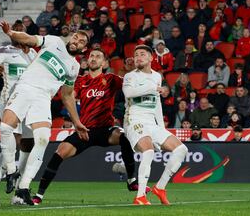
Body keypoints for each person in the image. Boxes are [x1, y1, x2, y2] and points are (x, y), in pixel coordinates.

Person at [33, 49, 144, 205]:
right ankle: (39, 195)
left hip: (106, 130)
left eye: (98, 56)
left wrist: (132, 69)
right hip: (85, 130)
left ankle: (132, 180)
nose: (94, 58)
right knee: (59, 152)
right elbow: (68, 98)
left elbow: (132, 84)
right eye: (91, 56)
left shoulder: (111, 79)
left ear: (104, 63)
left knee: (124, 136)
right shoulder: (80, 81)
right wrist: (77, 123)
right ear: (87, 60)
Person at [0, 21, 89, 205]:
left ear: (83, 49)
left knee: (42, 139)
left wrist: (77, 121)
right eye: (75, 37)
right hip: (25, 87)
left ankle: (23, 187)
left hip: (43, 98)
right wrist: (12, 33)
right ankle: (10, 171)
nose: (76, 41)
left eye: (80, 41)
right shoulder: (54, 41)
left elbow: (68, 95)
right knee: (6, 127)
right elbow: (30, 39)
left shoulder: (74, 68)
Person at [123, 45, 188, 205]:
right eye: (136, 54)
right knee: (149, 150)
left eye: (142, 54)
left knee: (181, 149)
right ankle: (140, 196)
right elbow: (129, 94)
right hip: (134, 120)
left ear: (151, 58)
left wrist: (162, 128)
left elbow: (157, 102)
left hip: (151, 122)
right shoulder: (130, 76)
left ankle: (160, 187)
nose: (138, 57)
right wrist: (152, 88)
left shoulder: (157, 77)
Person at [0, 22, 38, 206]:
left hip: (29, 103)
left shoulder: (34, 54)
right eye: (17, 33)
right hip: (9, 102)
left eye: (22, 33)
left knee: (27, 145)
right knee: (12, 142)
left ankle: (18, 191)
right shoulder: (5, 50)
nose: (20, 36)